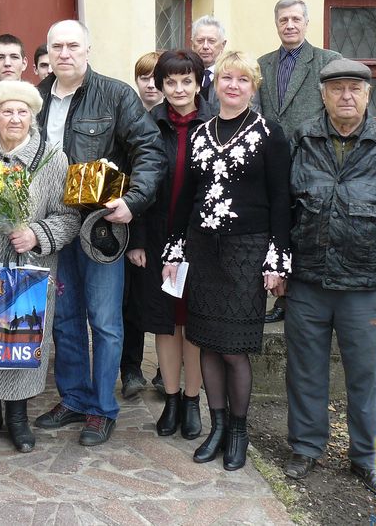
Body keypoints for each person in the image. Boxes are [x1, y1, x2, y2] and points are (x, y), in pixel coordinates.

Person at [282, 58, 376, 496]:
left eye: (356, 89)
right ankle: (306, 447)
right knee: (304, 372)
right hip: (307, 281)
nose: (347, 96)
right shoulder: (302, 139)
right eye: (338, 88)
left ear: (369, 96)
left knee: (364, 376)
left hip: (363, 286)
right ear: (323, 94)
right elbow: (280, 206)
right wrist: (279, 266)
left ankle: (365, 457)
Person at [35, 20, 167, 446]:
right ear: (49, 53)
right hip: (53, 227)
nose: (65, 53)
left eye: (73, 45)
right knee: (65, 319)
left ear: (88, 49)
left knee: (106, 321)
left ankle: (101, 408)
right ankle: (73, 398)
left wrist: (135, 200)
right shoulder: (35, 98)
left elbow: (149, 150)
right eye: (57, 46)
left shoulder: (115, 94)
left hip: (98, 227)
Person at [163, 50, 291, 471]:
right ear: (214, 85)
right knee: (207, 342)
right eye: (226, 79)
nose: (233, 86)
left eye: (242, 80)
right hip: (202, 249)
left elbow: (281, 202)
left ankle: (238, 430)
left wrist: (277, 261)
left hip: (247, 252)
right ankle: (216, 426)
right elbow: (185, 198)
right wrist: (175, 250)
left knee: (235, 349)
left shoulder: (270, 134)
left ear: (253, 88)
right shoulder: (201, 132)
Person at [0, 81, 80, 453]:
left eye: (23, 111)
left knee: (21, 339)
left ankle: (18, 418)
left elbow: (68, 217)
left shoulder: (52, 158)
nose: (15, 118)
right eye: (7, 111)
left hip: (29, 265)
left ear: (33, 117)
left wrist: (36, 234)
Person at [126, 50, 211, 439]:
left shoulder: (215, 124)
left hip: (201, 242)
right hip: (159, 240)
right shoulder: (147, 125)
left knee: (192, 324)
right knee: (164, 323)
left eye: (186, 81)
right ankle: (172, 400)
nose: (178, 89)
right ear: (160, 86)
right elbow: (136, 186)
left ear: (198, 82)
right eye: (170, 82)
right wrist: (138, 241)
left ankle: (193, 401)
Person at [257, 0, 341, 324]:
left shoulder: (326, 61)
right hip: (272, 164)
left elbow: (338, 112)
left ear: (306, 22)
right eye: (283, 20)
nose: (289, 25)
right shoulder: (262, 65)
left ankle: (306, 299)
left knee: (308, 232)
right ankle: (283, 297)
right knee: (280, 228)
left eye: (295, 19)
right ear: (276, 24)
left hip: (313, 163)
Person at [120, 50, 164, 400]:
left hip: (172, 226)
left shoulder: (175, 119)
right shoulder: (128, 116)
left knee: (172, 301)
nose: (150, 85)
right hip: (135, 224)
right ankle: (131, 368)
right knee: (131, 303)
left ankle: (168, 371)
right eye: (143, 78)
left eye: (155, 78)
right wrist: (135, 238)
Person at [190, 16, 228, 113]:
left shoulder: (231, 77)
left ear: (222, 45)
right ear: (192, 44)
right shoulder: (184, 75)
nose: (205, 46)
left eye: (211, 41)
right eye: (200, 41)